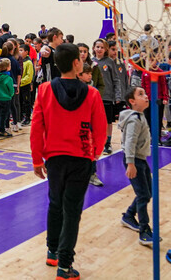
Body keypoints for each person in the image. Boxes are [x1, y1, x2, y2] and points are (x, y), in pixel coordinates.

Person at [30, 42, 106, 280]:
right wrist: (95, 153)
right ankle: (64, 266)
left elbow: (36, 127)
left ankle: (52, 251)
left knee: (55, 203)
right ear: (76, 63)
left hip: (53, 157)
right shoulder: (92, 94)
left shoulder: (43, 90)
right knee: (72, 210)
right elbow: (101, 129)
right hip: (81, 157)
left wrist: (36, 159)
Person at [119, 86, 155, 247]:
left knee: (148, 192)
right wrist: (131, 163)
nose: (145, 96)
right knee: (143, 195)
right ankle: (144, 230)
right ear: (132, 101)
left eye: (145, 93)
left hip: (140, 159)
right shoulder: (134, 120)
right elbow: (129, 142)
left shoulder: (140, 116)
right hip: (134, 161)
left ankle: (128, 215)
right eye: (141, 94)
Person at [0, 57, 15, 137]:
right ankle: (2, 130)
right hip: (6, 99)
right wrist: (10, 95)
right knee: (4, 115)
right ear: (7, 67)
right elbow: (11, 89)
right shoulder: (8, 78)